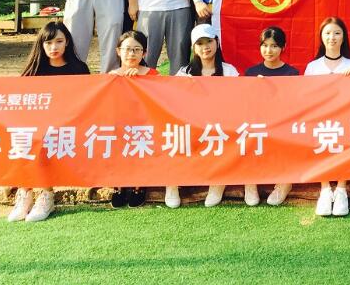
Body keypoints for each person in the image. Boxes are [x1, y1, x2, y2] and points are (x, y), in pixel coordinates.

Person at [5, 22, 90, 223]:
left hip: (68, 126)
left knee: (44, 140)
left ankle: (46, 195)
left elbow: (88, 99)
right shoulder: (34, 69)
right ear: (41, 45)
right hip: (37, 124)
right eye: (48, 42)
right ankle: (25, 193)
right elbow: (18, 99)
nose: (54, 47)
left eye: (59, 41)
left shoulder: (79, 68)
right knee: (26, 138)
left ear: (67, 42)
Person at [164, 24, 239, 209]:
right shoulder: (184, 72)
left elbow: (239, 100)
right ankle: (171, 185)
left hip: (221, 125)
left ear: (217, 43)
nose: (205, 47)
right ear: (193, 48)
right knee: (174, 137)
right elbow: (171, 100)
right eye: (200, 43)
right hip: (192, 125)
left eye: (209, 42)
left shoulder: (229, 71)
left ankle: (218, 184)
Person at [304, 18, 350, 216]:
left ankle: (342, 189)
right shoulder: (313, 67)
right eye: (327, 33)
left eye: (337, 33)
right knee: (321, 146)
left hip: (346, 119)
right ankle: (325, 189)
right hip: (320, 120)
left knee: (346, 146)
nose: (332, 37)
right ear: (321, 37)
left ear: (343, 37)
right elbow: (307, 97)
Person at [242, 27, 297, 206]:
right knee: (246, 134)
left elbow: (294, 105)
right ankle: (250, 183)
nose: (269, 50)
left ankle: (285, 183)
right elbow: (246, 105)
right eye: (265, 45)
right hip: (257, 123)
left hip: (282, 123)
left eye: (274, 46)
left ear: (283, 47)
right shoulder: (251, 73)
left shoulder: (292, 73)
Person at [107, 30, 158, 208]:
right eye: (127, 49)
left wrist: (138, 82)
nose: (132, 54)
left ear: (144, 53)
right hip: (119, 123)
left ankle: (139, 185)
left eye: (137, 49)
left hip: (145, 123)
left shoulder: (154, 75)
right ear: (118, 51)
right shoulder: (111, 76)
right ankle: (119, 185)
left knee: (142, 138)